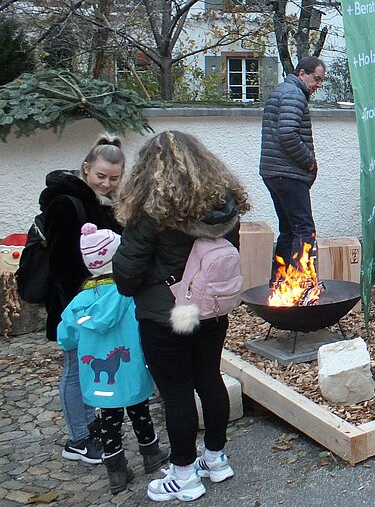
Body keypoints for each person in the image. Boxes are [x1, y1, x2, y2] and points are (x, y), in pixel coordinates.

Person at [113, 131, 251, 502]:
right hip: (212, 311)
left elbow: (126, 276)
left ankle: (184, 475)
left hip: (168, 315)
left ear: (148, 170)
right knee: (209, 378)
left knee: (176, 392)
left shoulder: (151, 211)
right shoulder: (224, 207)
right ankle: (216, 458)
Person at [57, 224, 168, 494]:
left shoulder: (80, 300)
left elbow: (65, 337)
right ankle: (151, 454)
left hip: (101, 381)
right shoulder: (129, 294)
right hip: (131, 371)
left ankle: (116, 471)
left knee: (109, 420)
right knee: (140, 411)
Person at [39, 135, 125, 466]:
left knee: (90, 368)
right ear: (86, 168)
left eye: (114, 178)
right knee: (75, 370)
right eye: (100, 176)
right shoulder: (66, 204)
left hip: (98, 304)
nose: (106, 183)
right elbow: (63, 266)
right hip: (75, 305)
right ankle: (77, 438)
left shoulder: (106, 202)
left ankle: (89, 424)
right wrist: (82, 309)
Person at [260, 56, 324, 277]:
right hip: (288, 174)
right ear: (302, 74)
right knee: (304, 230)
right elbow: (288, 135)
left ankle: (279, 282)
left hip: (273, 173)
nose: (318, 85)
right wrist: (310, 162)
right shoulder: (294, 94)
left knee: (288, 230)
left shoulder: (282, 91)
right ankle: (300, 285)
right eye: (316, 79)